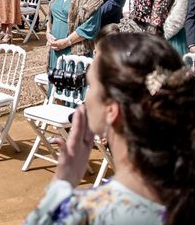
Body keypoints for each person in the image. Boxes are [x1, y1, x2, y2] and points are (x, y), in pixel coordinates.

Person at [26, 33, 195, 225]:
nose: (87, 97)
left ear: (111, 111)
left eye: (91, 85)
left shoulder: (85, 213)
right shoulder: (184, 192)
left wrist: (63, 182)